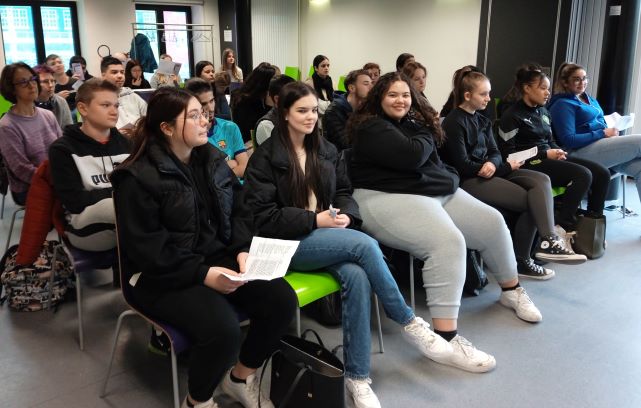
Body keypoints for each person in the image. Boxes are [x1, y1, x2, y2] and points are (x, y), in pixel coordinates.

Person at [244, 81, 454, 408]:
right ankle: (409, 322)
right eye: (302, 111)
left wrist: (346, 216)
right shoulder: (265, 159)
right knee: (364, 247)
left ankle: (357, 377)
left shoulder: (326, 150)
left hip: (327, 236)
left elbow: (344, 192)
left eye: (314, 110)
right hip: (284, 243)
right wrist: (315, 221)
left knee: (356, 275)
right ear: (284, 114)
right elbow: (264, 217)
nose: (311, 117)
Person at [111, 88, 297, 408]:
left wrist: (241, 249)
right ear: (167, 128)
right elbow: (147, 250)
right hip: (161, 275)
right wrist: (203, 274)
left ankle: (239, 378)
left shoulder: (210, 157)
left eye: (205, 113)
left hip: (215, 258)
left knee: (281, 301)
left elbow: (240, 210)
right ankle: (198, 401)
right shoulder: (136, 177)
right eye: (194, 116)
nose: (205, 122)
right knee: (223, 332)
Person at [348, 72, 545, 371]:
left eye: (405, 95)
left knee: (492, 222)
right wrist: (429, 131)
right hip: (380, 197)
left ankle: (511, 290)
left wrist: (443, 172)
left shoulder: (411, 124)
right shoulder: (371, 127)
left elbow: (438, 166)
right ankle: (446, 337)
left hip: (426, 190)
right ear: (378, 98)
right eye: (392, 95)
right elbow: (414, 157)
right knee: (447, 242)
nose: (400, 100)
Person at [440, 70, 586, 280]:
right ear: (467, 95)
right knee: (531, 202)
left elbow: (495, 152)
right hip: (470, 180)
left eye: (488, 93)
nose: (489, 98)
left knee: (542, 180)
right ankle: (524, 260)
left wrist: (493, 162)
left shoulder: (482, 119)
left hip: (491, 172)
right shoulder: (454, 122)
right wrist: (502, 167)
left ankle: (548, 241)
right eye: (484, 94)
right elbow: (463, 165)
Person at [499, 67, 610, 249]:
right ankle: (561, 228)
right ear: (527, 88)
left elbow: (550, 141)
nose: (547, 93)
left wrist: (557, 151)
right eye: (543, 88)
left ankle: (590, 228)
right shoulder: (512, 116)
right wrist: (544, 153)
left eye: (548, 88)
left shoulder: (543, 112)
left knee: (602, 173)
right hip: (528, 164)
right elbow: (508, 156)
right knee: (583, 175)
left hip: (548, 158)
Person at [49, 79, 130, 251]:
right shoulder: (62, 149)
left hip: (125, 219)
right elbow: (75, 201)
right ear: (83, 109)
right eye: (105, 105)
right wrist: (121, 193)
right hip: (82, 225)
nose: (114, 111)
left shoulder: (128, 144)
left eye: (116, 105)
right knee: (124, 209)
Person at [548, 62, 641, 206]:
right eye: (576, 79)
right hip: (578, 153)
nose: (582, 82)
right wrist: (602, 132)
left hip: (599, 147)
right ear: (565, 82)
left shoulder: (587, 98)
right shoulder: (562, 104)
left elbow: (596, 122)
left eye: (584, 78)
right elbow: (569, 140)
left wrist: (608, 128)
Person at [0, 62, 61, 205]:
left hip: (56, 177)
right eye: (23, 82)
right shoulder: (6, 126)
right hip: (28, 187)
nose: (31, 85)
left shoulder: (48, 115)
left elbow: (62, 148)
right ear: (11, 89)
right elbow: (21, 169)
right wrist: (56, 180)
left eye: (33, 79)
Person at [185, 78, 248, 179]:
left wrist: (220, 172)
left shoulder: (230, 127)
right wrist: (231, 164)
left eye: (211, 101)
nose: (210, 108)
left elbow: (244, 168)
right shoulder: (192, 137)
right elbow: (203, 179)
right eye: (203, 104)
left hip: (239, 189)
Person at [322, 69, 372, 151]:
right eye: (366, 84)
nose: (371, 87)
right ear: (352, 88)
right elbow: (345, 144)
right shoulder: (333, 111)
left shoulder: (366, 108)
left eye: (371, 83)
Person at [100, 56, 147, 136]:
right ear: (103, 76)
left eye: (122, 72)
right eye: (114, 72)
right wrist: (115, 135)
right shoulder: (96, 98)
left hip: (137, 139)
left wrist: (138, 130)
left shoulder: (132, 95)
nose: (120, 76)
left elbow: (147, 118)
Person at [231, 62, 277, 143]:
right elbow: (258, 126)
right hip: (248, 142)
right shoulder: (245, 101)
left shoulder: (243, 94)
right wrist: (269, 106)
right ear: (265, 84)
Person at [254, 74, 295, 146]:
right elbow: (277, 154)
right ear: (277, 99)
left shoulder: (294, 117)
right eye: (292, 95)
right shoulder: (266, 125)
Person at [33, 64, 73, 129]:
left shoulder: (60, 101)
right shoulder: (27, 105)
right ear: (34, 83)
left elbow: (69, 129)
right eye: (45, 81)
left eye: (52, 81)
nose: (51, 85)